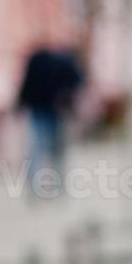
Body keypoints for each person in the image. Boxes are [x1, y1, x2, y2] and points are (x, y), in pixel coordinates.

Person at [15, 47, 82, 197]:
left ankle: (38, 187)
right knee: (53, 149)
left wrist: (20, 104)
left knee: (40, 148)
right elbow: (77, 82)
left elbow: (26, 84)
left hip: (44, 109)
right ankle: (54, 186)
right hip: (52, 110)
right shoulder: (64, 60)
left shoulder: (37, 60)